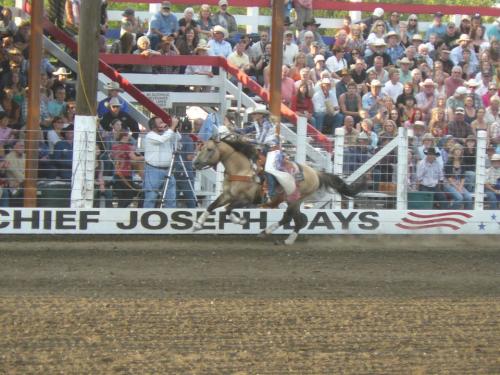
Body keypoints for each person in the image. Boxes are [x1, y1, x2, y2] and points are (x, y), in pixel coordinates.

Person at [143, 116, 181, 208]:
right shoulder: (150, 135)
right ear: (154, 126)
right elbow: (161, 140)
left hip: (168, 170)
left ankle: (170, 219)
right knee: (151, 197)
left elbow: (178, 137)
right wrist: (172, 127)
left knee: (171, 198)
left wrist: (173, 128)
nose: (163, 123)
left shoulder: (167, 134)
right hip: (153, 170)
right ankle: (146, 219)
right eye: (160, 123)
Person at [111, 130, 144, 208]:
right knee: (129, 196)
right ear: (125, 137)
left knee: (121, 197)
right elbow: (134, 158)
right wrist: (145, 157)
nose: (129, 138)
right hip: (125, 175)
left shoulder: (114, 146)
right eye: (128, 136)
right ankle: (121, 211)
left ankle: (119, 212)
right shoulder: (127, 147)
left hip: (116, 174)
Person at [443, 143, 473, 209]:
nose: (458, 152)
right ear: (453, 151)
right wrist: (457, 188)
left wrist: (460, 187)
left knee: (469, 197)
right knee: (459, 198)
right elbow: (449, 178)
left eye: (459, 150)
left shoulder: (462, 163)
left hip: (458, 184)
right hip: (448, 184)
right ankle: (451, 213)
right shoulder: (448, 162)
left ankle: (467, 216)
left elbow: (463, 177)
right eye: (456, 150)